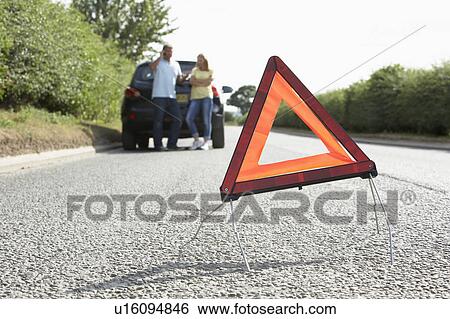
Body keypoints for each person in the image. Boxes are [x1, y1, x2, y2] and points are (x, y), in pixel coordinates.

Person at [149, 44, 188, 151]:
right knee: (158, 121)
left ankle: (172, 144)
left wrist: (184, 77)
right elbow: (151, 67)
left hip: (171, 96)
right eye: (168, 51)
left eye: (171, 51)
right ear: (163, 52)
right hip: (159, 96)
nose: (170, 53)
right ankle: (158, 145)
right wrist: (160, 57)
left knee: (177, 119)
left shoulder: (175, 64)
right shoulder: (158, 62)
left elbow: (179, 80)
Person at [186, 54, 214, 150]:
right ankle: (197, 140)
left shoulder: (210, 70)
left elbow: (208, 82)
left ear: (204, 60)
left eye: (201, 60)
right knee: (189, 118)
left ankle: (206, 142)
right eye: (198, 60)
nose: (199, 61)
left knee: (206, 120)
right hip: (195, 97)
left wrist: (198, 81)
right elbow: (192, 82)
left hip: (207, 97)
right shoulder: (194, 70)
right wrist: (202, 81)